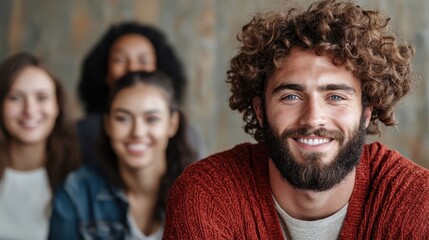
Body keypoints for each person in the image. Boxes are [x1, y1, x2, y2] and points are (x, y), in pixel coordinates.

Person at [163, 0, 429, 239]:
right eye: (291, 96)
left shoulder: (416, 201)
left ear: (366, 111)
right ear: (260, 109)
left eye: (335, 97)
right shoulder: (207, 196)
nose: (313, 118)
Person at [49, 71, 197, 239]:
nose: (137, 132)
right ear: (107, 124)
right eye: (123, 118)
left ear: (172, 123)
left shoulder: (200, 193)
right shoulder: (76, 193)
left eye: (151, 119)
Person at [77, 22, 205, 164]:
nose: (132, 68)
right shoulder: (80, 133)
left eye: (143, 60)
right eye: (119, 60)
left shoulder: (187, 135)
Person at [0, 52, 80, 240]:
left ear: (57, 106)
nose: (29, 110)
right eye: (15, 97)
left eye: (42, 97)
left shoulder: (78, 180)